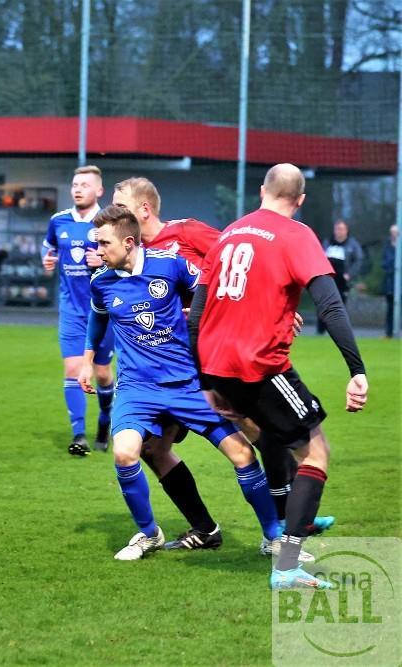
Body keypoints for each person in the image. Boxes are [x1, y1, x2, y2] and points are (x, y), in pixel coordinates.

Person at [110, 177, 315, 555]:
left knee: (253, 432)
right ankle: (205, 529)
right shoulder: (127, 256)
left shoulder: (185, 233)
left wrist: (277, 305)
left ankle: (286, 522)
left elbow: (244, 259)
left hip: (211, 355)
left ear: (143, 210)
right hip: (161, 367)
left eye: (119, 204)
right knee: (153, 449)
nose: (114, 213)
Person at [189, 164, 368, 589]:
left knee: (274, 434)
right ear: (300, 200)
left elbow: (197, 315)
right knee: (316, 453)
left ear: (262, 191)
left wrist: (207, 382)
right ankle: (287, 564)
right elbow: (330, 305)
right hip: (260, 366)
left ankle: (291, 520)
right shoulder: (297, 234)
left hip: (219, 366)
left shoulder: (230, 233)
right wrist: (356, 369)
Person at [79, 205, 280, 561]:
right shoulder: (101, 282)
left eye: (105, 244)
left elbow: (213, 292)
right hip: (138, 389)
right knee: (125, 453)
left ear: (128, 242)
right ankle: (149, 533)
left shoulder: (169, 264)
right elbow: (97, 320)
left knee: (243, 453)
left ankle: (273, 537)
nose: (98, 252)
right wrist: (88, 360)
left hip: (189, 384)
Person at [41, 165, 115, 456]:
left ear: (99, 190)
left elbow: (126, 258)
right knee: (73, 369)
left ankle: (105, 418)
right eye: (74, 184)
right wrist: (47, 260)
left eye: (85, 184)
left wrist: (104, 260)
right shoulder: (58, 221)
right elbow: (47, 248)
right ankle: (79, 435)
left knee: (103, 373)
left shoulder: (108, 221)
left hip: (104, 311)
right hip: (71, 310)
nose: (78, 189)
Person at [318, 219, 363, 333]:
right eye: (337, 229)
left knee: (340, 306)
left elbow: (358, 260)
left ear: (347, 230)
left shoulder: (352, 245)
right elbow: (320, 256)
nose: (339, 232)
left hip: (342, 281)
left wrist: (349, 274)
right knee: (323, 304)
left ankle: (339, 331)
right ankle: (320, 330)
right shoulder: (328, 243)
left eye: (342, 229)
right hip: (327, 279)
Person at [382, 224, 398, 338]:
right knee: (390, 308)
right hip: (390, 284)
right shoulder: (387, 247)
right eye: (392, 232)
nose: (393, 235)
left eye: (396, 232)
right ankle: (389, 333)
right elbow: (384, 263)